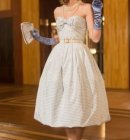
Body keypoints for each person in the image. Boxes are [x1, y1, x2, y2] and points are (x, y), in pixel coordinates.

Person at [32, 0, 111, 140]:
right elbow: (56, 39)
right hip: (59, 58)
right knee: (63, 100)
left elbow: (95, 37)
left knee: (79, 100)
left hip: (78, 57)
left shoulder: (86, 7)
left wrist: (97, 13)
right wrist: (38, 38)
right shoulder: (57, 10)